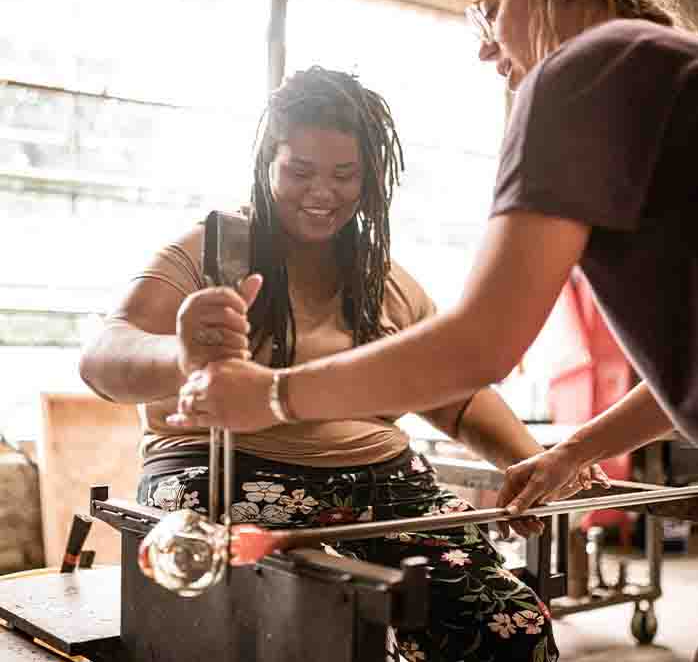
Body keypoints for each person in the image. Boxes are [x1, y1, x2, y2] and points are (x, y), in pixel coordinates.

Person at [166, 0, 698, 534]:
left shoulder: (585, 69)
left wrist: (272, 395)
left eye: (489, 10)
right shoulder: (662, 62)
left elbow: (480, 348)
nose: (486, 50)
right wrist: (573, 451)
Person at [80, 67, 568, 662]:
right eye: (300, 171)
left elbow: (456, 394)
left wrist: (530, 461)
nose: (322, 193)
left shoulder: (381, 279)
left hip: (383, 483)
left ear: (370, 180)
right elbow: (102, 358)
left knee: (509, 630)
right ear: (266, 162)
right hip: (226, 472)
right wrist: (182, 354)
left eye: (344, 175)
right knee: (319, 633)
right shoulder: (210, 254)